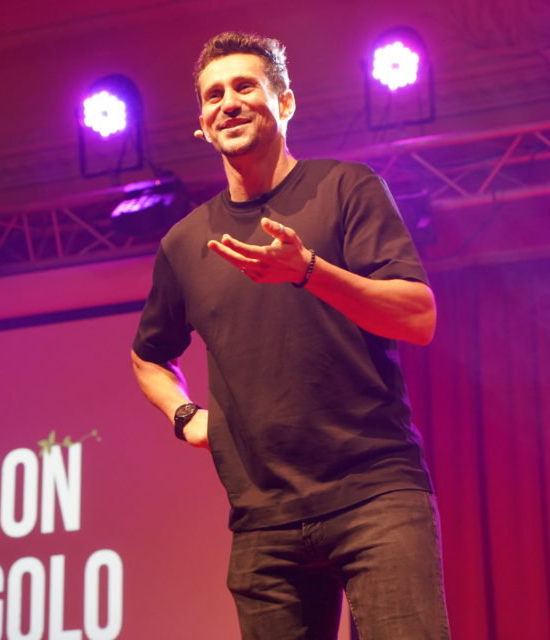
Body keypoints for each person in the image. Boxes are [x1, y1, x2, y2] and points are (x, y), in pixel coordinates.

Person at [131, 31, 451, 640]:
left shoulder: (347, 189)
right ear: (202, 125)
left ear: (285, 102)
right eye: (213, 95)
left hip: (376, 498)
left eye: (244, 87)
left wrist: (308, 271)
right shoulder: (184, 243)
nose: (228, 102)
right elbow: (148, 357)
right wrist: (185, 416)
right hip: (264, 524)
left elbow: (418, 316)